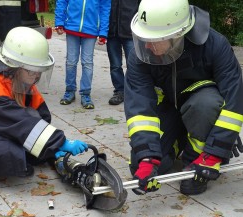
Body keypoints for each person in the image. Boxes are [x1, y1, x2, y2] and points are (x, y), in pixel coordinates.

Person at [0, 27, 88, 188]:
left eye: (39, 71)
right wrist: (59, 141)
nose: (37, 76)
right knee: (4, 151)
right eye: (32, 71)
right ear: (15, 66)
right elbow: (18, 121)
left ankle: (14, 157)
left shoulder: (24, 83)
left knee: (32, 151)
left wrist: (50, 148)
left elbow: (39, 118)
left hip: (2, 126)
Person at [125, 0, 243, 195]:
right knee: (139, 165)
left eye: (154, 39)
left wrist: (217, 149)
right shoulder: (140, 55)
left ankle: (196, 157)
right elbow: (140, 107)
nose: (146, 45)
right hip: (170, 106)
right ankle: (176, 142)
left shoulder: (215, 45)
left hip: (202, 109)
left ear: (177, 35)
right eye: (144, 37)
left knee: (205, 104)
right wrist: (147, 158)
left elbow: (234, 102)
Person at [55, 0, 111, 109]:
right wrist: (59, 22)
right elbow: (62, 2)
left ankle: (86, 94)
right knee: (71, 62)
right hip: (72, 27)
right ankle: (70, 91)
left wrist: (103, 32)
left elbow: (105, 9)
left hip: (91, 30)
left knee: (87, 63)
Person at [106, 0, 140, 105]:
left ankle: (134, 91)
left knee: (133, 65)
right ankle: (120, 91)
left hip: (130, 32)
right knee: (115, 65)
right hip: (111, 32)